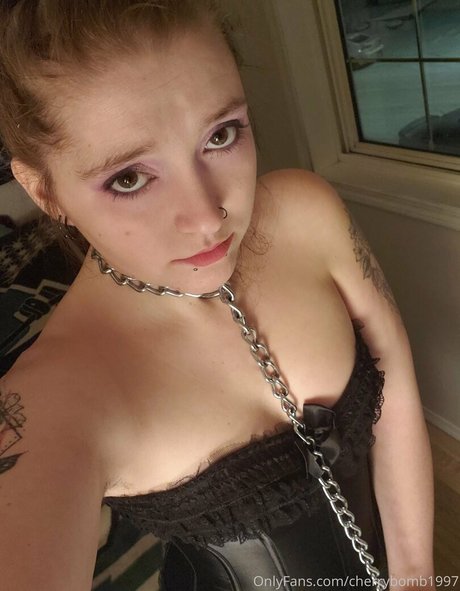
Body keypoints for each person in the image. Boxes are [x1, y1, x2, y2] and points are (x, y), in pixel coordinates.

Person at [0, 1, 435, 589]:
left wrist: (416, 574)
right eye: (128, 178)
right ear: (44, 191)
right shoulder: (55, 399)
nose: (208, 218)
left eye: (221, 135)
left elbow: (394, 371)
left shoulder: (306, 214)